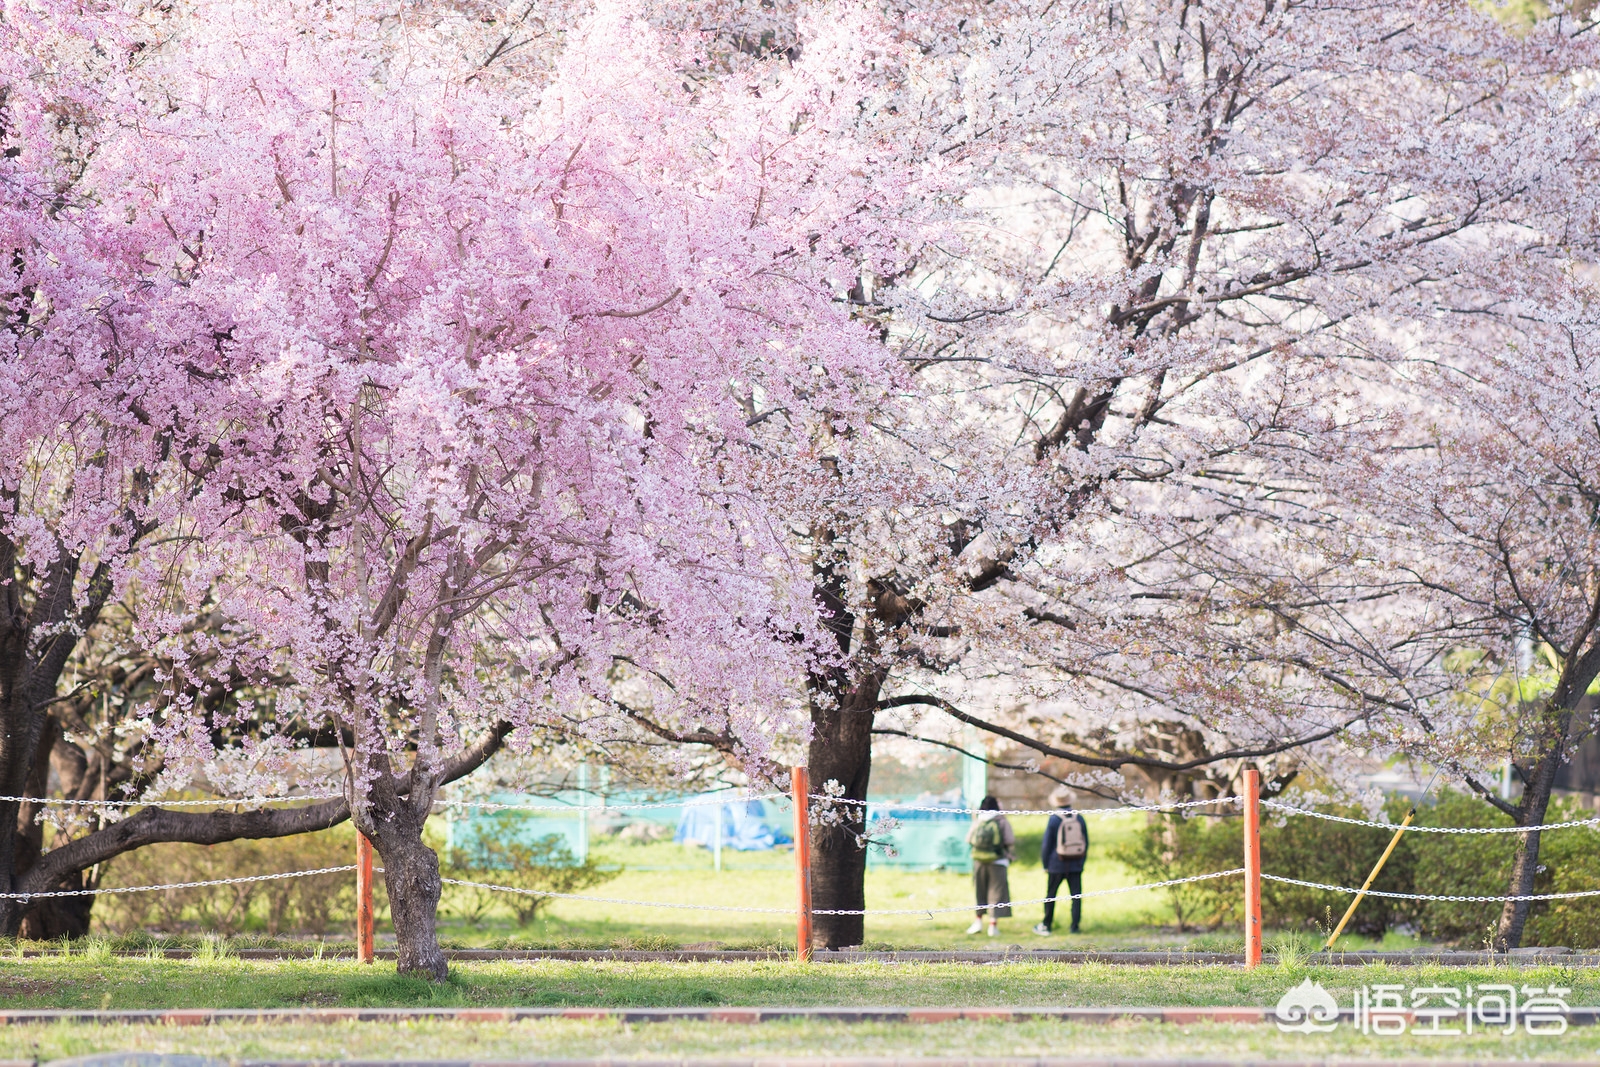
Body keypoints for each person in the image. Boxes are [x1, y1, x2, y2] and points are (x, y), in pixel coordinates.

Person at [1034, 785, 1089, 936]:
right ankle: (1075, 926)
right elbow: (1086, 841)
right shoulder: (1079, 817)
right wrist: (1082, 861)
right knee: (1076, 896)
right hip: (1076, 863)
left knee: (1051, 895)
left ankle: (1047, 924)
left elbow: (1047, 844)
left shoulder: (1054, 819)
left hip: (1056, 863)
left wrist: (1046, 864)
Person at [965, 795, 1014, 936]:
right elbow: (1009, 840)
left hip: (979, 860)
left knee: (980, 890)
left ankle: (978, 922)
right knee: (996, 893)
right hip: (998, 861)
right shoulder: (1001, 820)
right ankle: (993, 926)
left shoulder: (978, 820)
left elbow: (968, 839)